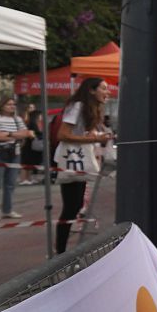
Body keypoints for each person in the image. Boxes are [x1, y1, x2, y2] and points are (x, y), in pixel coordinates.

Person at [54, 80, 111, 251]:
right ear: (92, 90)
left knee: (76, 205)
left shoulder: (90, 109)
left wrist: (95, 135)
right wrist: (94, 138)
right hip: (71, 159)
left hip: (80, 159)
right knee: (71, 206)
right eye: (104, 88)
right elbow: (62, 135)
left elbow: (81, 132)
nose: (107, 92)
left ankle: (61, 249)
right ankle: (60, 251)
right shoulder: (77, 106)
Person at [0, 97, 33, 220]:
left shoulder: (17, 119)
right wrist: (15, 135)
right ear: (1, 106)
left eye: (13, 104)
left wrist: (8, 134)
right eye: (8, 104)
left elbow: (26, 133)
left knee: (10, 183)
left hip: (15, 153)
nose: (12, 106)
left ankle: (7, 210)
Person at [19, 108, 44, 185]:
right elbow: (32, 134)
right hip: (28, 146)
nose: (41, 117)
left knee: (29, 163)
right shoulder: (32, 124)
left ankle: (28, 178)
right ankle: (24, 179)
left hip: (31, 146)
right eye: (40, 115)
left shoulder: (35, 123)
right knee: (26, 163)